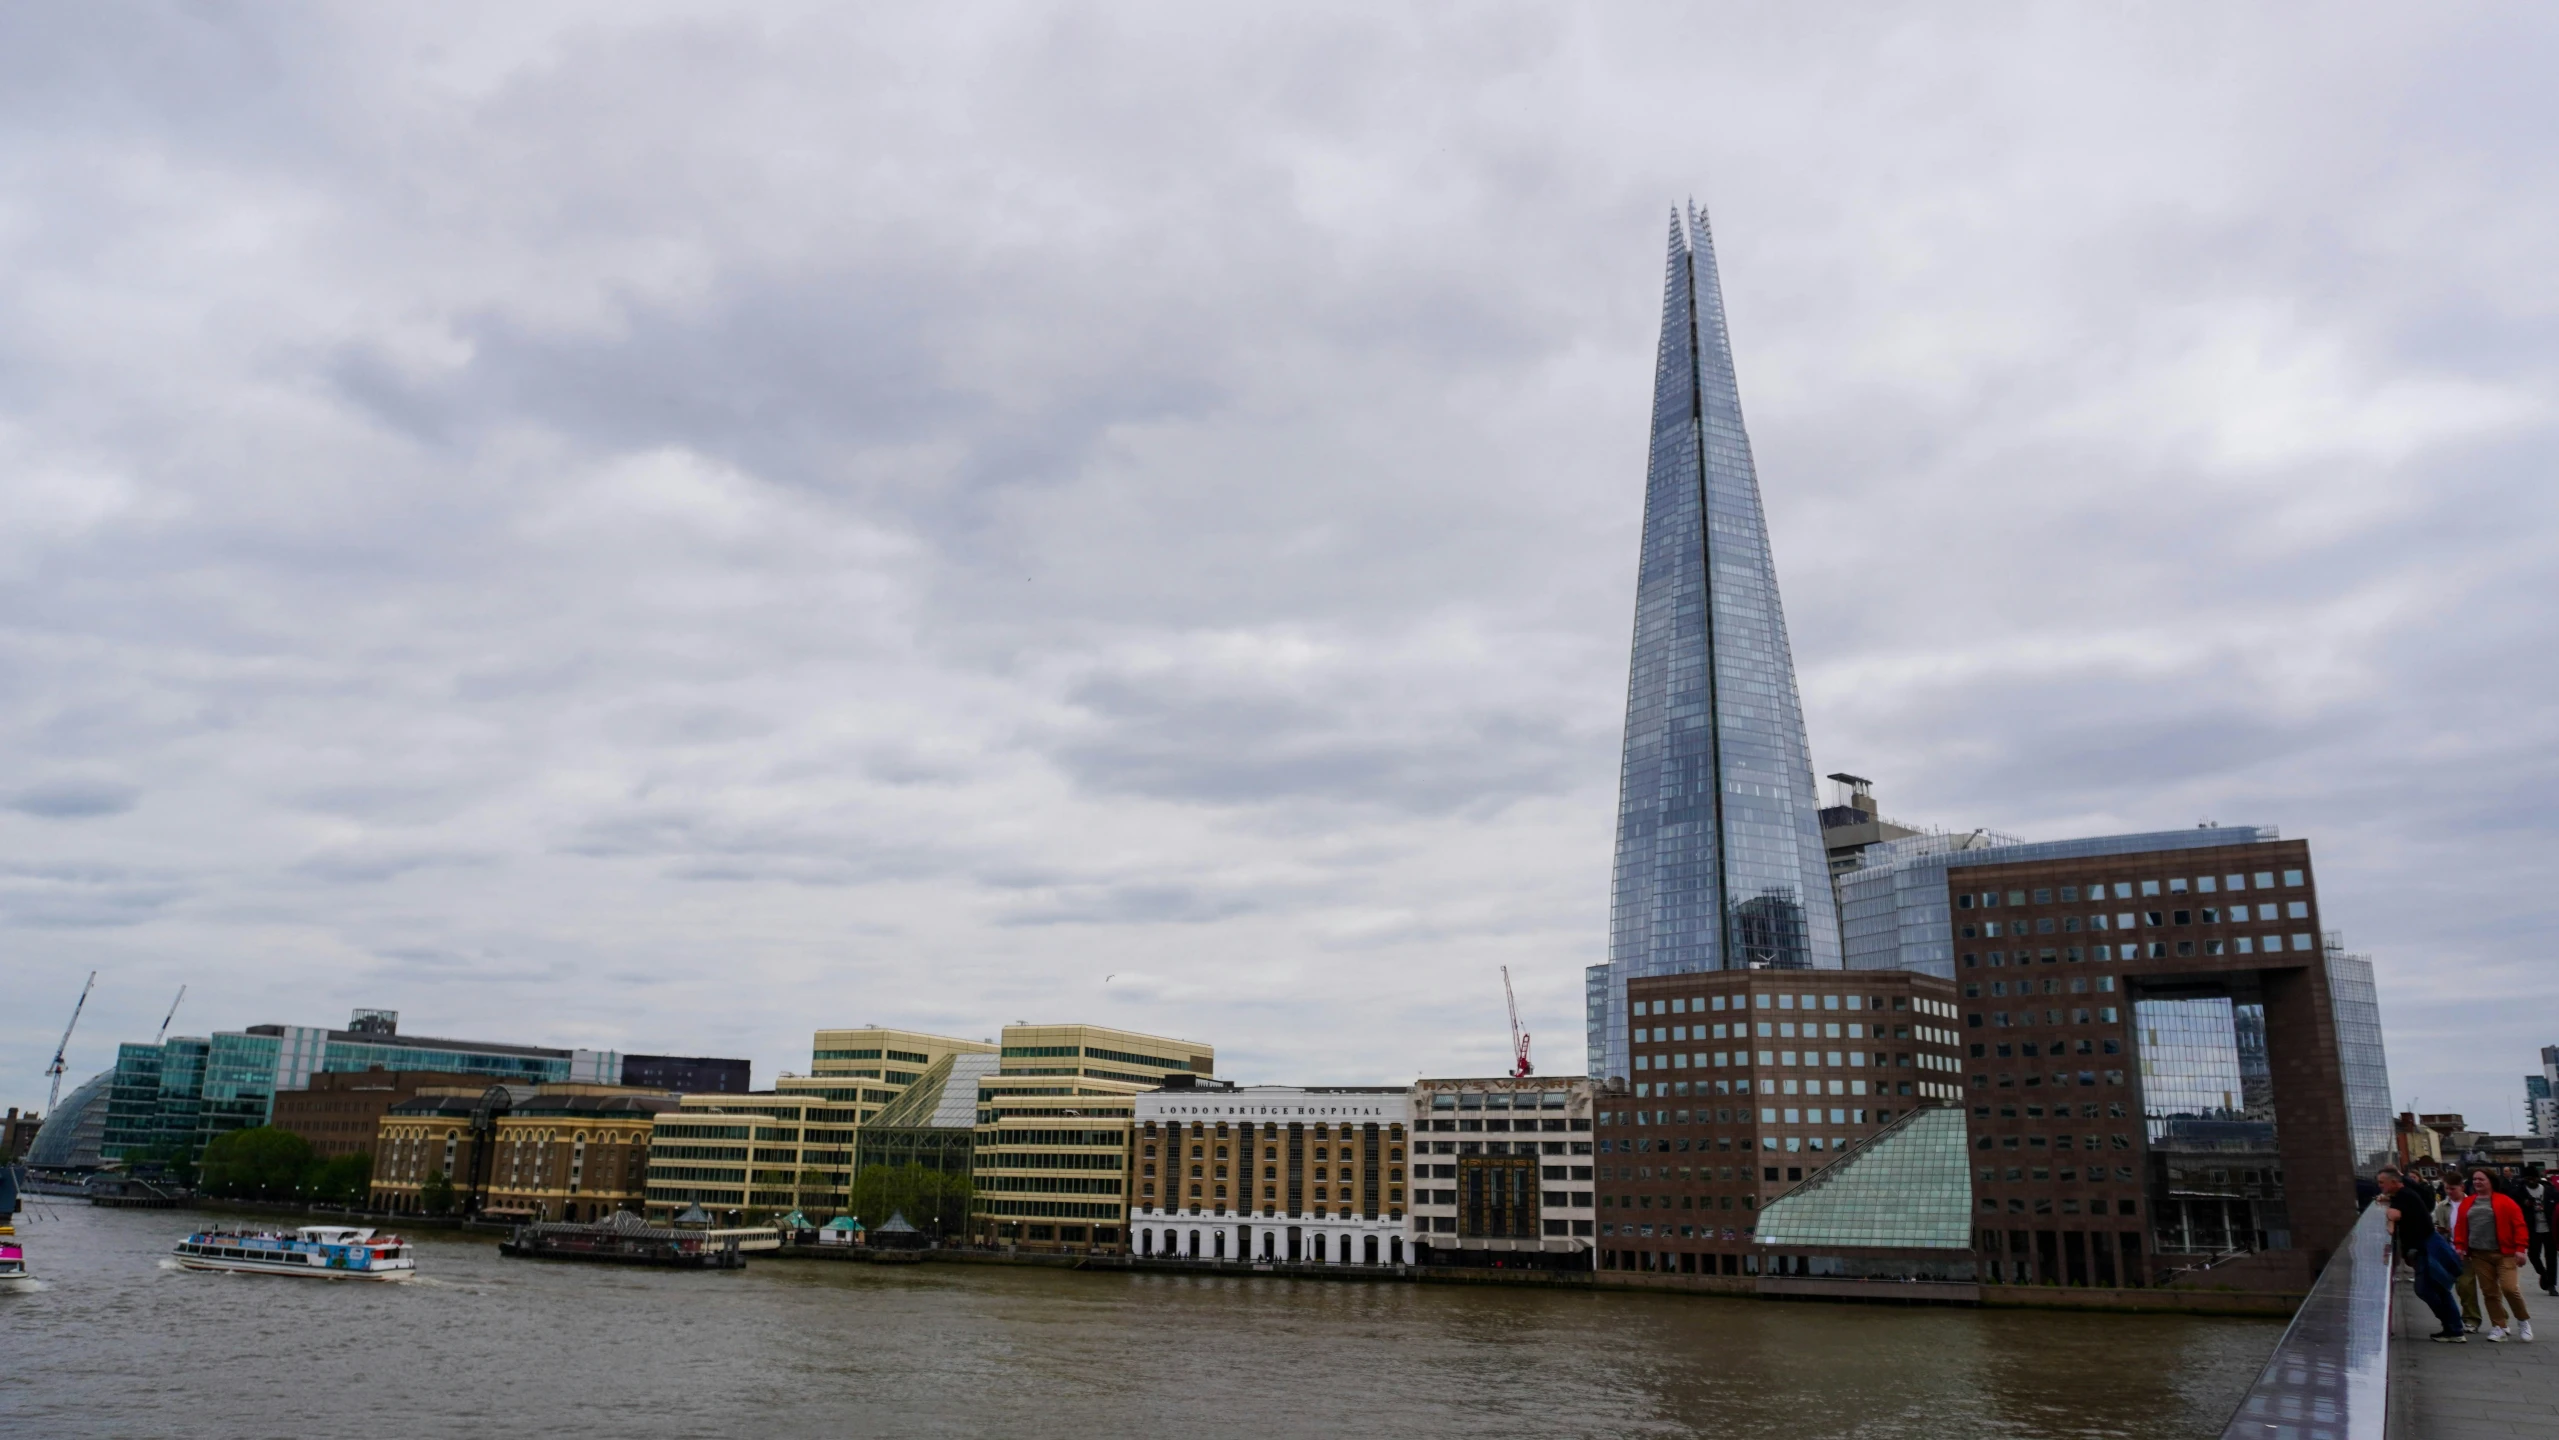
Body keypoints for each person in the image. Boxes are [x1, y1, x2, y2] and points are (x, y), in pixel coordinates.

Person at [2380, 1166, 2467, 1342]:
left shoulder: (2404, 1196)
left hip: (2428, 1247)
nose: (2380, 1186)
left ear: (2395, 1182)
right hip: (2427, 1245)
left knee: (2427, 1289)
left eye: (2382, 1182)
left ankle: (2454, 1328)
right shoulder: (2403, 1195)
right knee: (2436, 1288)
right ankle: (2453, 1328)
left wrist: (2390, 1219)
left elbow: (2394, 1216)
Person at [2452, 1170, 2534, 1342]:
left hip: (2505, 1253)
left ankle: (2523, 1320)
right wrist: (2459, 1246)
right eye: (2474, 1179)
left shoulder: (2505, 1202)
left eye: (2481, 1179)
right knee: (2489, 1293)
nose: (2477, 1182)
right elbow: (2460, 1226)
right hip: (2479, 1254)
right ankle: (2499, 1326)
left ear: (2491, 1181)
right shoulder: (2468, 1203)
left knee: (2509, 1288)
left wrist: (2521, 1248)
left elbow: (2519, 1225)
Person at [2437, 1169, 2483, 1330]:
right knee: (2449, 1286)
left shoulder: (2472, 1203)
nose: (2449, 1192)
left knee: (2466, 1286)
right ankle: (2451, 1319)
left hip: (2468, 1250)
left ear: (2461, 1187)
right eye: (2446, 1188)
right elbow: (2438, 1225)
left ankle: (2471, 1319)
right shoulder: (2442, 1206)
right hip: (2449, 1249)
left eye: (2452, 1188)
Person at [2521, 1165, 2558, 1297]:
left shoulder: (2548, 1190)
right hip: (2533, 1229)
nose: (2531, 1181)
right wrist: (2524, 1205)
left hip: (2549, 1228)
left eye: (2533, 1178)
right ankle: (2544, 1274)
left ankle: (2551, 1285)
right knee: (2533, 1255)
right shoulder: (2520, 1192)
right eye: (2528, 1179)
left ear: (2537, 1178)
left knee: (2551, 1257)